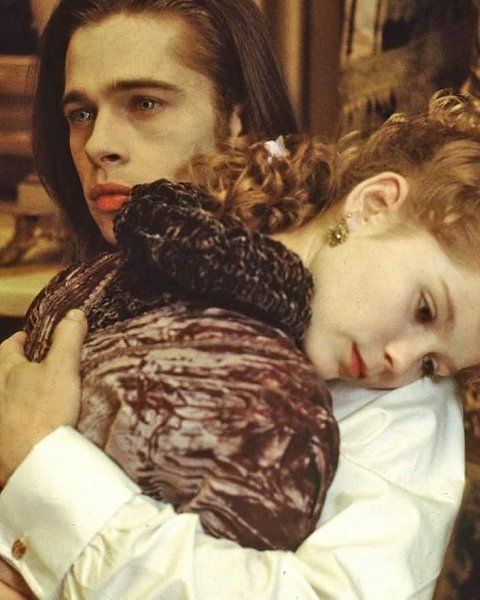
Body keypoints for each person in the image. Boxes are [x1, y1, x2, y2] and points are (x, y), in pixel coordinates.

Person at [0, 0, 466, 598]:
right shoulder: (91, 298)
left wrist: (44, 465)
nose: (98, 144)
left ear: (240, 121)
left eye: (145, 103)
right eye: (80, 113)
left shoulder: (395, 398)